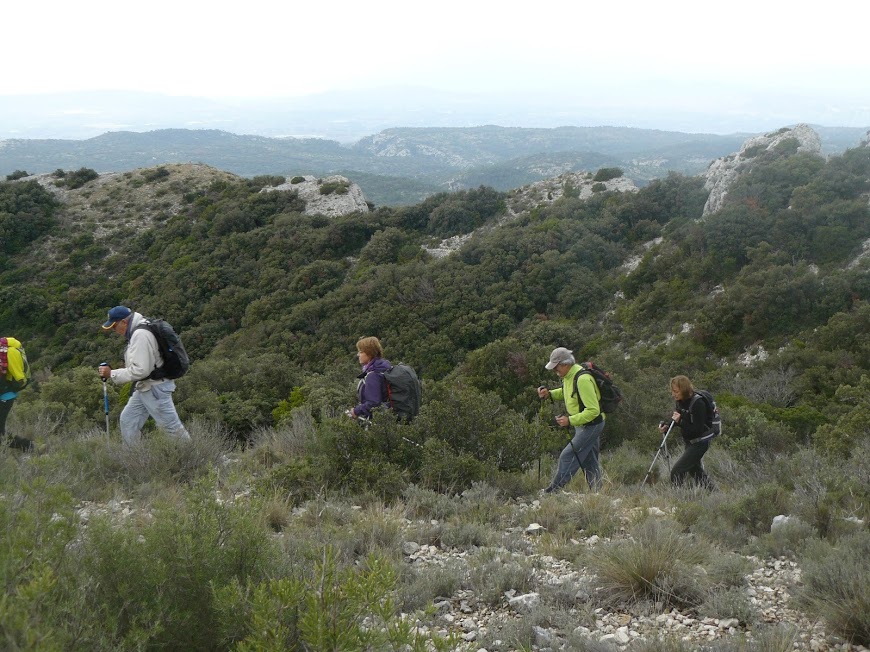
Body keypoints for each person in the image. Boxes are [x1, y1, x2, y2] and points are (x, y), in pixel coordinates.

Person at [98, 306, 190, 445]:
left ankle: (201, 459)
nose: (114, 330)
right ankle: (133, 461)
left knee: (172, 429)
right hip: (146, 387)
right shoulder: (139, 329)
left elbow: (141, 370)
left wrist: (112, 373)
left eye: (114, 326)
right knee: (128, 420)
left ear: (123, 322)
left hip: (155, 389)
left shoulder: (140, 335)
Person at [537, 347, 604, 492]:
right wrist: (550, 394)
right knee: (589, 460)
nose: (556, 372)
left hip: (591, 425)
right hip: (583, 424)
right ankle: (599, 493)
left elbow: (593, 411)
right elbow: (568, 393)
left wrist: (570, 420)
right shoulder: (569, 377)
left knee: (568, 455)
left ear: (565, 365)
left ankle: (553, 490)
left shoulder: (582, 379)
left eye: (556, 368)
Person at [660, 375, 714, 489]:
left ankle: (679, 500)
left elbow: (697, 430)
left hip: (700, 442)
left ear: (684, 390)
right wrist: (667, 426)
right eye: (672, 391)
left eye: (676, 391)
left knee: (677, 472)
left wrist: (681, 421)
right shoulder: (681, 401)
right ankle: (714, 494)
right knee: (696, 472)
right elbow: (677, 418)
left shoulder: (698, 404)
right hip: (690, 442)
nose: (673, 394)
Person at [1, 337, 34, 452]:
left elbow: (20, 380)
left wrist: (6, 387)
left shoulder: (10, 353)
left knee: (1, 435)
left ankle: (29, 447)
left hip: (5, 396)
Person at [347, 336, 392, 421]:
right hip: (389, 419)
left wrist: (356, 411)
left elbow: (374, 403)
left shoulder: (373, 375)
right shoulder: (384, 369)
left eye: (360, 352)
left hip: (378, 423)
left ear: (369, 353)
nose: (358, 355)